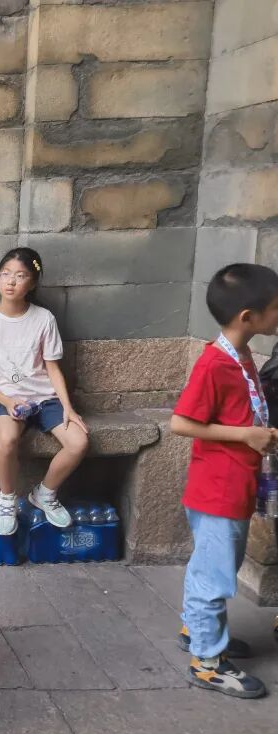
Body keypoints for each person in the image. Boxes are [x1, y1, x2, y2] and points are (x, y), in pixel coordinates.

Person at [170, 263, 278, 698]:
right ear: (248, 316)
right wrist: (246, 435)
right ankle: (208, 662)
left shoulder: (242, 354)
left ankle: (195, 630)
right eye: (276, 308)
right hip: (218, 489)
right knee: (213, 577)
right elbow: (181, 423)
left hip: (232, 485)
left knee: (213, 567)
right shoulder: (215, 363)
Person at [0, 247, 89, 537]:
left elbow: (53, 369)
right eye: (5, 274)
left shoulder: (44, 319)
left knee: (79, 442)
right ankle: (7, 500)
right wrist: (7, 401)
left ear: (32, 283)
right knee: (7, 439)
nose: (11, 281)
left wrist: (68, 407)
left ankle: (44, 493)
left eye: (20, 276)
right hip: (5, 398)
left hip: (45, 399)